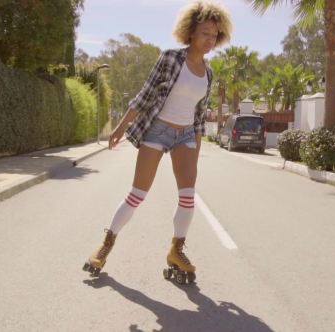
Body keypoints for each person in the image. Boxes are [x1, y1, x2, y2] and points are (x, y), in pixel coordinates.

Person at [83, 1, 233, 282]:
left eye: (214, 34)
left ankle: (177, 250)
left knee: (188, 197)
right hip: (157, 131)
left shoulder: (209, 72)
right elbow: (145, 94)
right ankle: (107, 244)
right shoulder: (170, 58)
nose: (210, 39)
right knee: (138, 194)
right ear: (190, 32)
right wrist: (119, 128)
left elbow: (200, 115)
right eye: (204, 33)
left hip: (186, 135)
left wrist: (196, 150)